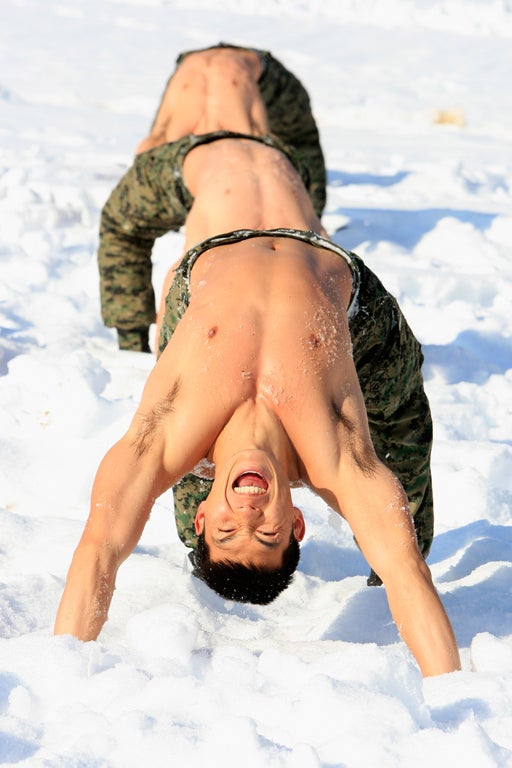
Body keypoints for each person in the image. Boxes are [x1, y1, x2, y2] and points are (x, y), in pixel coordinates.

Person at [55, 133, 461, 677]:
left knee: (173, 476)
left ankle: (198, 539)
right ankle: (362, 576)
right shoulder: (336, 457)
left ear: (207, 512)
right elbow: (407, 571)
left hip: (212, 272)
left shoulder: (166, 438)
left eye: (225, 530)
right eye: (266, 534)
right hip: (348, 298)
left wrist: (61, 674)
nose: (247, 516)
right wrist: (450, 693)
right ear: (296, 522)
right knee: (403, 475)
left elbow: (100, 549)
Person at [99, 43, 326, 352]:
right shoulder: (312, 250)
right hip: (254, 130)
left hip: (233, 99)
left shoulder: (315, 250)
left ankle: (130, 340)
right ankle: (131, 340)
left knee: (129, 221)